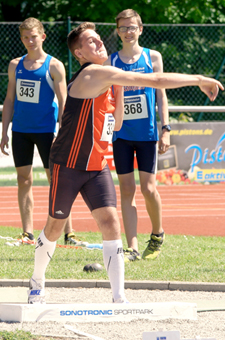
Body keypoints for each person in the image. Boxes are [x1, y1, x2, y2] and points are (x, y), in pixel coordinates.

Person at [27, 21, 223, 304]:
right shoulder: (92, 73)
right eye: (91, 42)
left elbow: (115, 123)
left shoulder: (108, 82)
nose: (99, 43)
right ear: (79, 54)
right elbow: (155, 81)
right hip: (68, 164)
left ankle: (119, 297)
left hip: (96, 166)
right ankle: (37, 282)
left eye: (98, 38)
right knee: (55, 227)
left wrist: (118, 91)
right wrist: (199, 79)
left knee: (111, 222)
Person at [0, 17, 83, 247]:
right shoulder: (15, 65)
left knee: (56, 180)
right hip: (21, 131)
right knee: (23, 179)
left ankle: (69, 232)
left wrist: (63, 131)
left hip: (47, 131)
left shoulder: (54, 65)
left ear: (42, 37)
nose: (29, 41)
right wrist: (4, 130)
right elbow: (9, 100)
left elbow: (63, 101)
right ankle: (27, 232)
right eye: (25, 37)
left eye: (33, 36)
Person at [104, 9, 169, 262]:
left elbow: (162, 95)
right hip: (121, 134)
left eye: (132, 27)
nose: (128, 32)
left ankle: (156, 235)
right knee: (127, 189)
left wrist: (166, 129)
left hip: (147, 134)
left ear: (140, 29)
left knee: (149, 188)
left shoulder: (152, 57)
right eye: (123, 28)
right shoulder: (111, 61)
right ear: (117, 31)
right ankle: (131, 247)